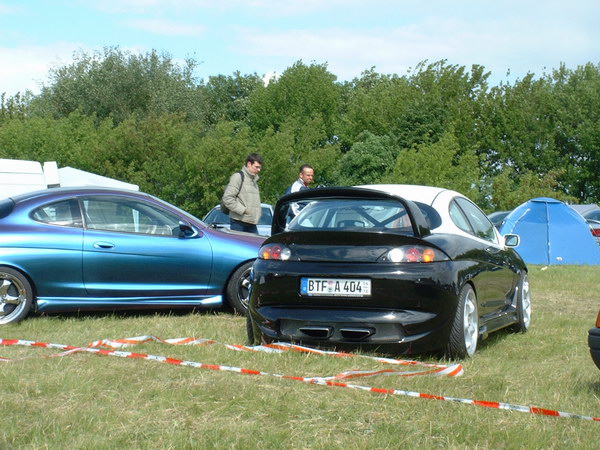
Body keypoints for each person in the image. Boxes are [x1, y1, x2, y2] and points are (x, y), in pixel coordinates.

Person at [222, 153, 263, 234]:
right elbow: (227, 199)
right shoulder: (238, 177)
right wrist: (244, 210)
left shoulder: (254, 181)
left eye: (260, 167)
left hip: (251, 223)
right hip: (238, 223)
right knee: (238, 246)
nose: (259, 170)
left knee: (255, 246)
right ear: (249, 164)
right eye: (257, 167)